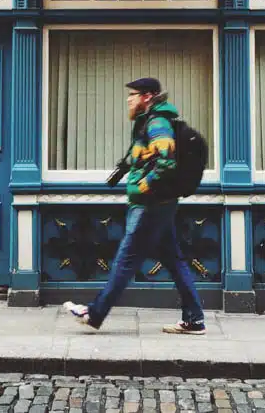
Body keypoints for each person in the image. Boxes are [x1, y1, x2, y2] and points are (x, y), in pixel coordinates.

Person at [62, 77, 206, 335]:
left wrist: (143, 186)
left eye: (133, 95)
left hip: (150, 204)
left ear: (147, 97)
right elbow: (142, 155)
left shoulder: (158, 123)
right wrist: (123, 169)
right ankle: (194, 320)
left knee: (125, 261)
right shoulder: (148, 122)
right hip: (161, 203)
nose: (128, 100)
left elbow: (166, 161)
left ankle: (95, 313)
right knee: (174, 260)